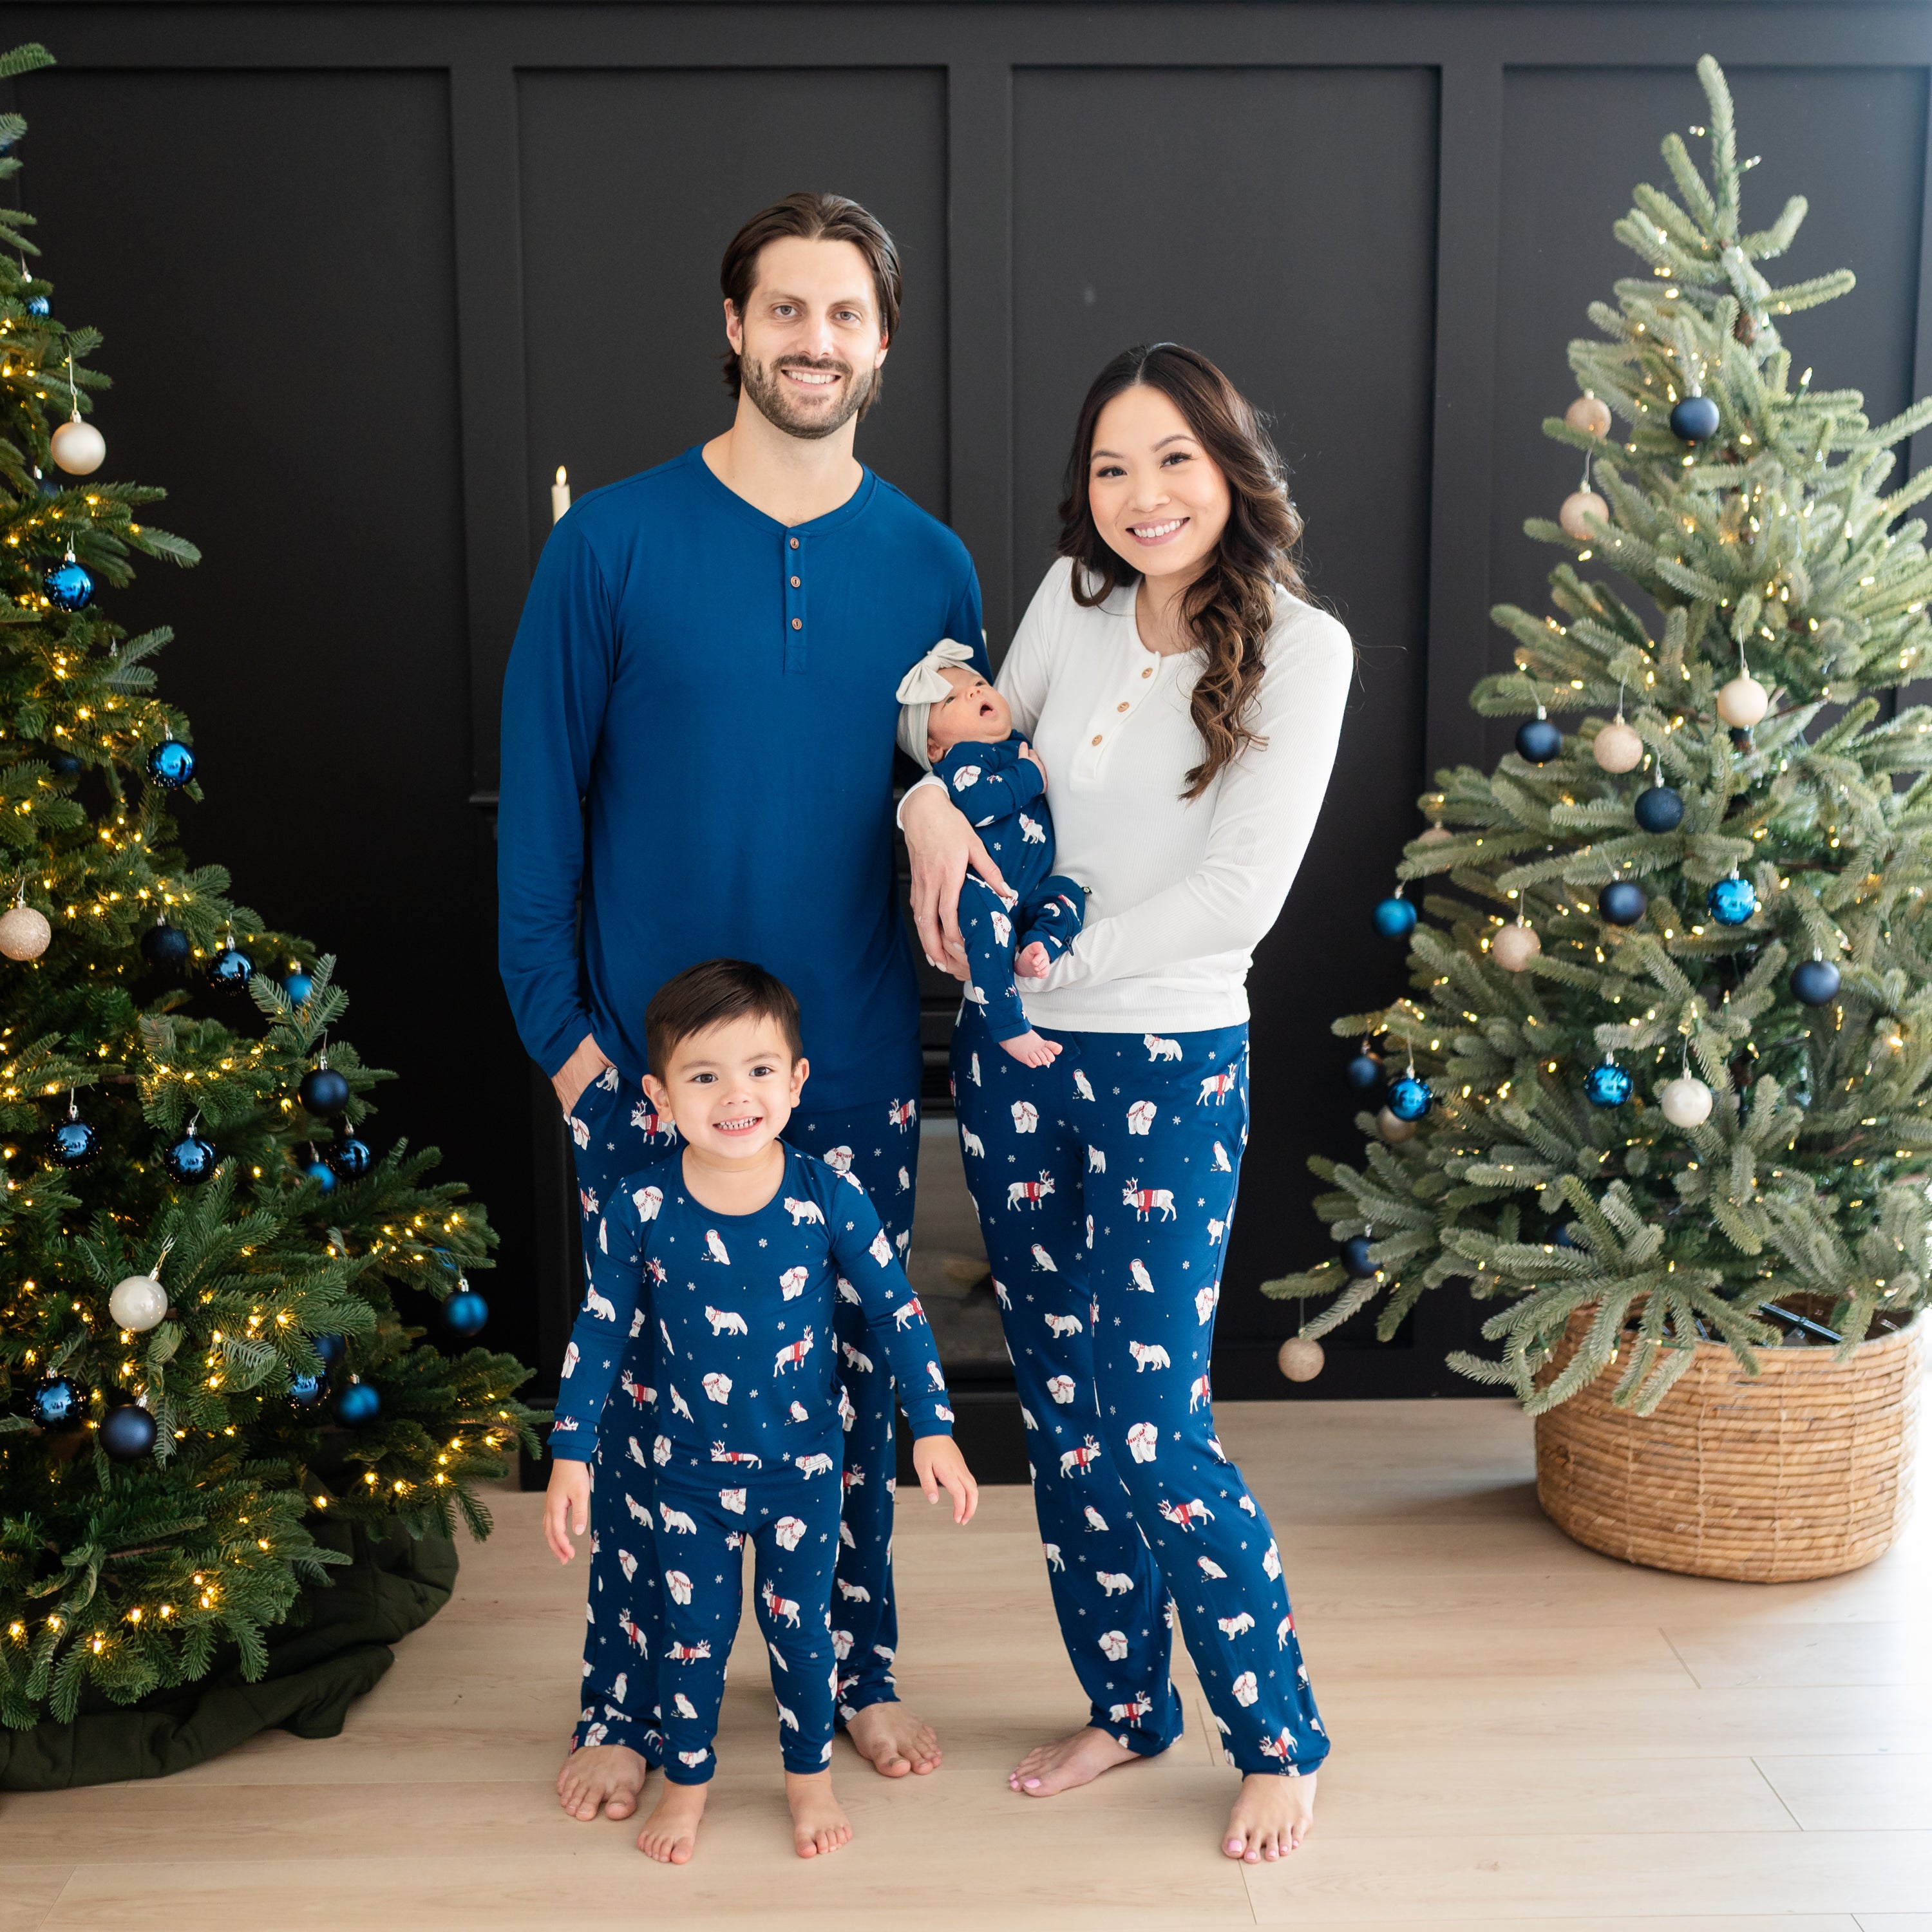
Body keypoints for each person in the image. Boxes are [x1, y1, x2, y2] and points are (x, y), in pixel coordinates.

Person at [497, 190, 991, 1827]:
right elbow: (540, 818)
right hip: (642, 1083)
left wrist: (942, 805)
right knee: (646, 1413)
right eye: (785, 310)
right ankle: (631, 1697)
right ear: (733, 327)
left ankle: (848, 1675)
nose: (814, 341)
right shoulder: (608, 543)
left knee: (840, 1410)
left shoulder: (931, 564)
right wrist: (569, 1046)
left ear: (882, 341)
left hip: (838, 1070)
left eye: (844, 314)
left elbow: (960, 785)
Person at [900, 342, 1351, 1863]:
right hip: (1010, 1060)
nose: (1141, 495)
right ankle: (1126, 1702)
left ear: (1229, 466)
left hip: (1159, 1060)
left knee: (1153, 1428)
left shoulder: (1303, 648)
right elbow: (960, 729)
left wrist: (1046, 958)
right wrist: (921, 794)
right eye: (1110, 467)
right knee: (1065, 1418)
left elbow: (1240, 898)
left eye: (1171, 460)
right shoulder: (1070, 598)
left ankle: (1275, 1730)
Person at [544, 960, 978, 1864]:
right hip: (686, 1477)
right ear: (661, 1098)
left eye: (759, 1071)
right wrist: (572, 1451)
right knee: (693, 1639)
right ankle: (687, 1790)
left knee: (802, 1632)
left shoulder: (827, 1197)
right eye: (705, 1077)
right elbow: (600, 1326)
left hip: (807, 1476)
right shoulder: (643, 1207)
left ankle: (808, 1785)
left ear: (796, 1081)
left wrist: (932, 1426)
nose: (735, 1096)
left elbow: (896, 1311)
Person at [895, 640, 1086, 1066]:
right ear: (932, 748)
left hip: (1029, 888)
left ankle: (1038, 946)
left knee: (1069, 893)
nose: (974, 692)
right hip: (981, 891)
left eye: (979, 683)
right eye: (950, 699)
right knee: (989, 920)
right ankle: (1008, 1024)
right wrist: (1030, 775)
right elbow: (980, 806)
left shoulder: (1017, 743)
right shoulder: (962, 759)